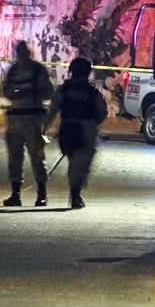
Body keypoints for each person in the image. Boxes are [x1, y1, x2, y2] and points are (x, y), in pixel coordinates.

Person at [43, 56, 108, 209]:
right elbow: (102, 112)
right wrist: (93, 124)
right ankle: (75, 194)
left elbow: (53, 110)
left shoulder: (64, 89)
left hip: (67, 128)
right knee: (82, 164)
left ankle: (75, 193)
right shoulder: (92, 92)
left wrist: (44, 128)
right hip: (86, 129)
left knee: (74, 162)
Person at [1, 40, 55, 207]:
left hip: (32, 118)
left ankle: (41, 194)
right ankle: (16, 194)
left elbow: (48, 93)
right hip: (17, 118)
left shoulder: (37, 70)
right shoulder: (14, 70)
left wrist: (29, 91)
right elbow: (6, 91)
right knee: (15, 158)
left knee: (37, 157)